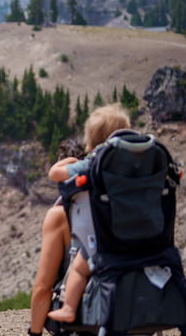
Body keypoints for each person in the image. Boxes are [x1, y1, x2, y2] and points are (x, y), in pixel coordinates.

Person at [28, 104, 131, 334]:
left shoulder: (60, 215)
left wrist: (34, 333)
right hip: (138, 294)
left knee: (79, 268)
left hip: (93, 309)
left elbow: (43, 288)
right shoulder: (131, 181)